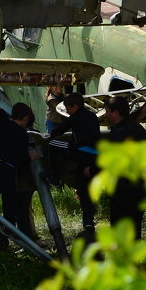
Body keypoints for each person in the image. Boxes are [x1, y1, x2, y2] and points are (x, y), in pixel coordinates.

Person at [49, 92, 102, 238]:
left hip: (79, 153)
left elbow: (59, 130)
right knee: (85, 190)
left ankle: (53, 177)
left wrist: (51, 134)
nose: (66, 110)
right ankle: (89, 222)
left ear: (75, 106)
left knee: (53, 144)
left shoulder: (75, 117)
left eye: (68, 107)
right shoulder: (92, 117)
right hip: (92, 156)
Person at [0, 102, 38, 244]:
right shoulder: (22, 134)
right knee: (9, 201)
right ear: (26, 118)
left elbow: (0, 112)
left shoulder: (5, 123)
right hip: (8, 169)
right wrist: (30, 157)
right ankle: (9, 227)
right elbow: (21, 157)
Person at [103, 97, 146, 238]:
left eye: (107, 111)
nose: (105, 114)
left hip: (122, 190)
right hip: (139, 187)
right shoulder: (139, 129)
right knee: (135, 227)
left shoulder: (117, 133)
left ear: (116, 113)